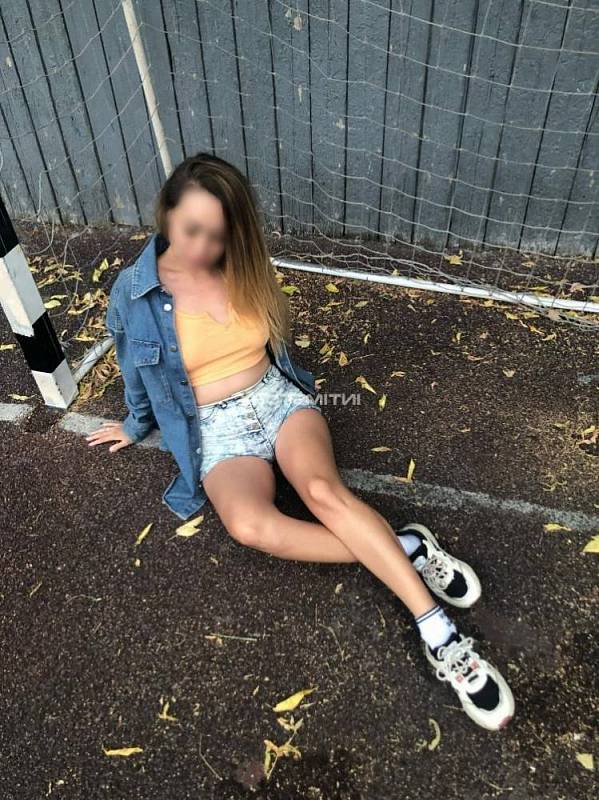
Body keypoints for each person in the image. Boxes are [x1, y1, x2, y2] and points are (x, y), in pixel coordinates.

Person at [87, 153, 515, 731]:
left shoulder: (244, 264)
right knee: (251, 527)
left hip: (277, 399)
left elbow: (272, 343)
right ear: (166, 213)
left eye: (217, 235)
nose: (202, 248)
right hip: (214, 429)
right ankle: (405, 548)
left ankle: (439, 632)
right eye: (191, 230)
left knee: (321, 492)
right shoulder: (133, 293)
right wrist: (134, 424)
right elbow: (135, 372)